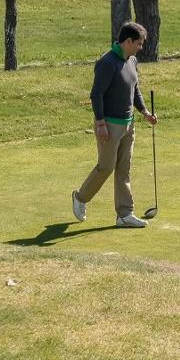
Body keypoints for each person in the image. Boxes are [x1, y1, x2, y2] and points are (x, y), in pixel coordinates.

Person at [72, 22, 158, 228]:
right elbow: (96, 94)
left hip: (129, 124)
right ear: (128, 41)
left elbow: (134, 90)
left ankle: (124, 214)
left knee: (124, 169)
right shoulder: (107, 62)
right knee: (106, 167)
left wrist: (145, 112)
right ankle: (80, 198)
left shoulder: (132, 60)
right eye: (138, 43)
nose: (141, 47)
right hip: (109, 124)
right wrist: (100, 122)